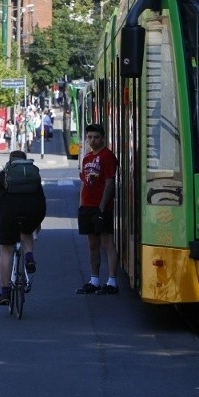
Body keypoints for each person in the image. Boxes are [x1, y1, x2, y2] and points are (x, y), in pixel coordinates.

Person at [0, 151, 46, 305]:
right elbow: (40, 198)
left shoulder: (5, 173)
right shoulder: (32, 172)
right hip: (34, 209)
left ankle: (5, 292)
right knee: (27, 232)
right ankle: (29, 257)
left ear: (10, 160)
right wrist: (37, 222)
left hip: (10, 212)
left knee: (6, 250)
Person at [76, 124, 120, 295]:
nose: (92, 140)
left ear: (102, 138)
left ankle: (112, 282)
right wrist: (81, 205)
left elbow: (109, 182)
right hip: (86, 207)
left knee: (107, 243)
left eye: (96, 137)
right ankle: (94, 280)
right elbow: (83, 183)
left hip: (101, 208)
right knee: (92, 245)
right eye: (89, 137)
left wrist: (101, 207)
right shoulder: (86, 158)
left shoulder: (107, 156)